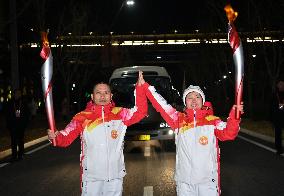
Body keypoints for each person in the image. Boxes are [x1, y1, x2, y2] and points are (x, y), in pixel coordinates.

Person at [139, 73, 244, 196]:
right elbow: (161, 104)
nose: (194, 100)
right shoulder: (178, 120)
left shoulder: (213, 121)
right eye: (190, 97)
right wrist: (145, 86)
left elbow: (229, 134)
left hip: (207, 182)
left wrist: (234, 117)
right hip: (185, 183)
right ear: (185, 102)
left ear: (202, 100)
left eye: (197, 97)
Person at [47, 71, 147, 196]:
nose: (102, 96)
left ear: (111, 96)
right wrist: (55, 136)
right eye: (98, 93)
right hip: (92, 178)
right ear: (92, 97)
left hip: (115, 177)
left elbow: (141, 112)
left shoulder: (120, 114)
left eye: (106, 93)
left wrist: (140, 88)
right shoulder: (82, 117)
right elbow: (65, 138)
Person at [5, 89, 29, 162]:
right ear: (14, 94)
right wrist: (8, 125)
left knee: (21, 140)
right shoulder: (10, 103)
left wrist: (25, 123)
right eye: (16, 93)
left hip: (21, 125)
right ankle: (14, 155)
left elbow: (27, 114)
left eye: (19, 93)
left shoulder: (23, 103)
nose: (18, 94)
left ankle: (21, 154)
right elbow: (7, 115)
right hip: (13, 125)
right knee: (13, 141)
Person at [271, 80, 284, 155]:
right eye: (280, 84)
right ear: (277, 86)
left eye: (283, 84)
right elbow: (271, 107)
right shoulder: (274, 95)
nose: (281, 85)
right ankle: (279, 149)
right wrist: (272, 119)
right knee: (278, 134)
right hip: (277, 117)